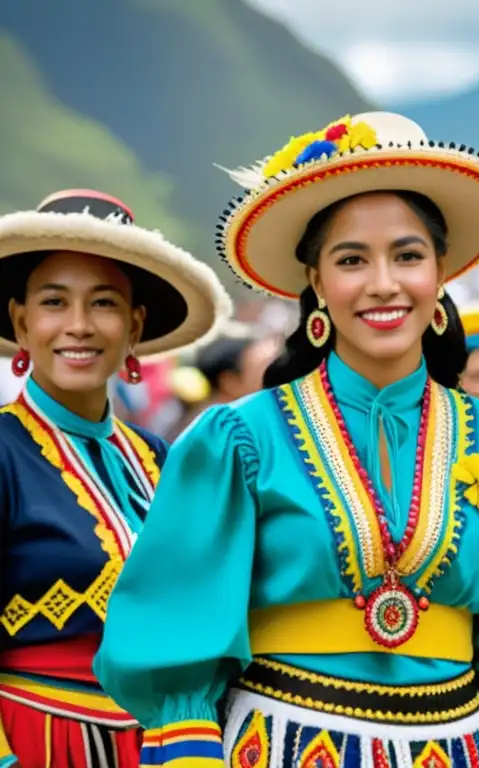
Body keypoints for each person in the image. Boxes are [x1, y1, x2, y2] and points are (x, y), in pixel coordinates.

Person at [94, 112, 479, 767]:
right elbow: (178, 631)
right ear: (315, 281)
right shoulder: (238, 441)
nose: (383, 283)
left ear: (441, 271)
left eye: (408, 255)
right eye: (351, 260)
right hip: (284, 741)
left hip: (461, 747)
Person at [0, 189, 231, 767]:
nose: (78, 326)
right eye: (54, 303)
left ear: (134, 327)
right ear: (21, 323)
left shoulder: (157, 457)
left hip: (163, 747)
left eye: (103, 304)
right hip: (37, 743)